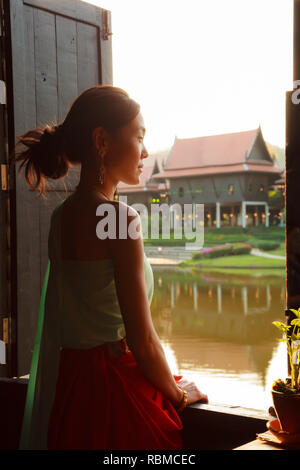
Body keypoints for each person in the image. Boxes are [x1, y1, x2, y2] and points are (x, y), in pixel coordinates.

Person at [12, 85, 208, 450]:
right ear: (102, 140)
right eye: (139, 136)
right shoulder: (119, 218)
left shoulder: (62, 216)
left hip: (71, 394)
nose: (146, 151)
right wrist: (179, 396)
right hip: (117, 396)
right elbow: (143, 341)